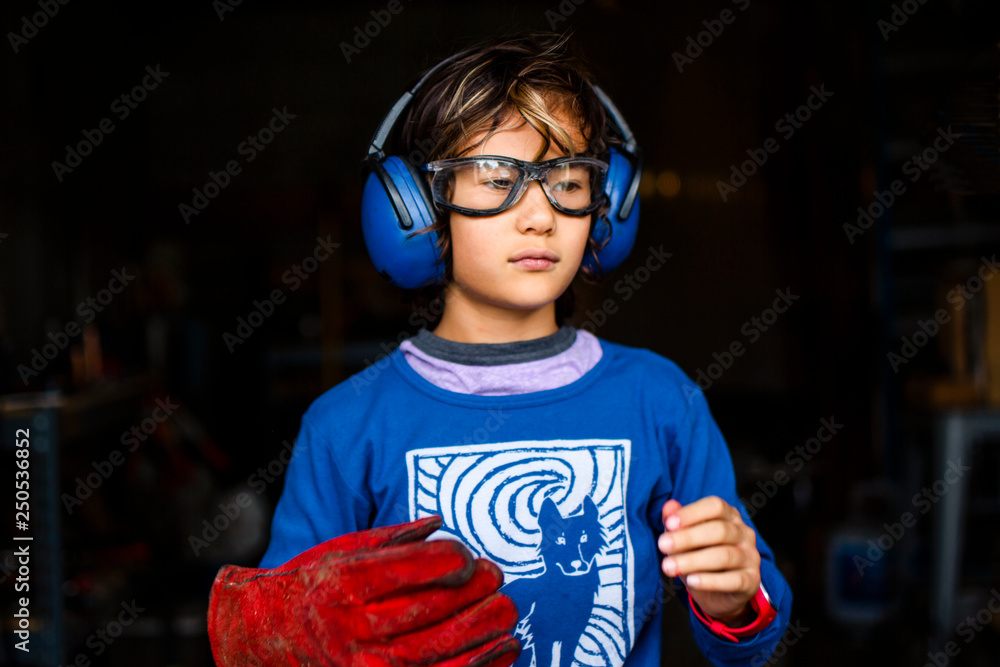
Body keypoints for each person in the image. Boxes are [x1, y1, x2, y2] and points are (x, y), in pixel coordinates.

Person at [209, 31, 792, 667]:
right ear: (420, 210)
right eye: (495, 178)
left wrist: (734, 598)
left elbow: (752, 639)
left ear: (605, 210)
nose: (540, 216)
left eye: (568, 180)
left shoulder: (660, 399)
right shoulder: (345, 427)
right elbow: (273, 636)